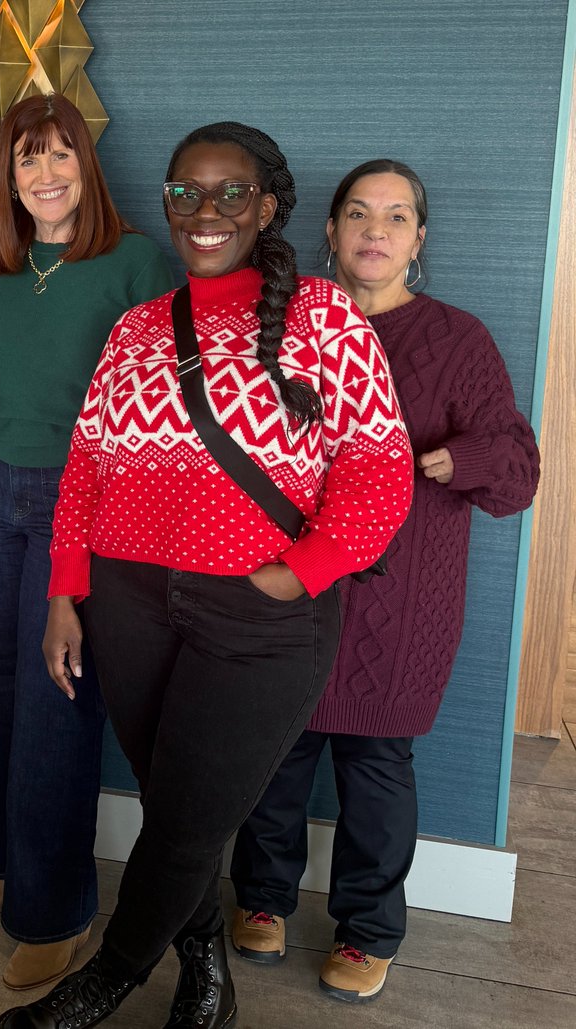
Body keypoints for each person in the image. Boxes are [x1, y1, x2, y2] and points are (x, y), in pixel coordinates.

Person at [0, 122, 413, 1029]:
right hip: (129, 602)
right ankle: (205, 974)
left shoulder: (324, 316)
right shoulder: (137, 328)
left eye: (231, 192)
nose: (205, 211)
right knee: (175, 807)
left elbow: (379, 468)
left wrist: (301, 573)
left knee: (188, 816)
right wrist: (65, 592)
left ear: (266, 207)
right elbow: (87, 465)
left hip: (258, 613)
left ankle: (103, 981)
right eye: (186, 193)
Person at [229, 159, 540, 1004]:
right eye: (359, 213)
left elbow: (518, 476)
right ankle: (262, 897)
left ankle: (367, 929)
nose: (376, 229)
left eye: (397, 216)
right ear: (330, 232)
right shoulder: (284, 325)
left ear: (419, 238)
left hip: (401, 603)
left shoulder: (459, 341)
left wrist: (459, 457)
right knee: (273, 756)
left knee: (376, 769)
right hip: (289, 589)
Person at [0, 94, 173, 991]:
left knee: (55, 695)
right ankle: (6, 866)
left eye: (61, 154)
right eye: (27, 157)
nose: (45, 173)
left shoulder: (135, 262)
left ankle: (54, 910)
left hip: (78, 501)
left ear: (86, 166)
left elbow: (164, 404)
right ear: (8, 175)